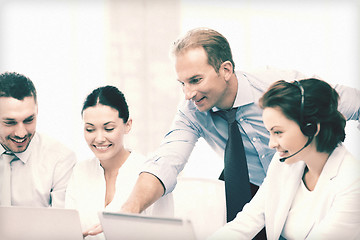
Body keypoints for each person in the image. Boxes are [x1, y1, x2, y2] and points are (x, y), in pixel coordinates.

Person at [120, 28, 360, 238]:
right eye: (182, 83)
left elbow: (352, 103)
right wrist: (129, 211)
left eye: (195, 80)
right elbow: (166, 162)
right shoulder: (192, 112)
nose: (188, 93)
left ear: (225, 70)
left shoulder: (283, 90)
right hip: (257, 186)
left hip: (309, 175)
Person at [208, 78, 360, 239]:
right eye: (269, 132)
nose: (271, 144)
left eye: (278, 132)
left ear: (311, 127)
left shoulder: (352, 183)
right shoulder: (284, 163)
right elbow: (247, 221)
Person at [65, 86, 173, 239]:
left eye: (108, 129)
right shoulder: (80, 171)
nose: (99, 138)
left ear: (127, 125)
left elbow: (165, 234)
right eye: (90, 129)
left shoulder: (151, 174)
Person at [0, 72, 77, 207]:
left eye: (29, 120)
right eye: (10, 122)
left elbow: (62, 224)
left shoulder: (61, 159)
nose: (21, 133)